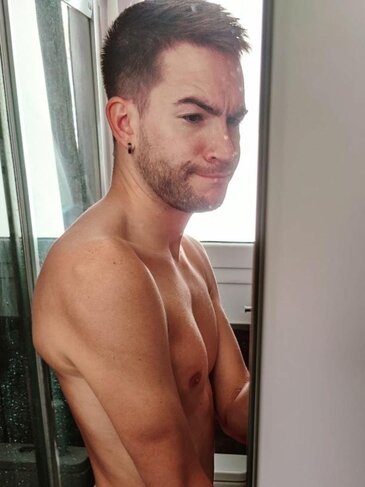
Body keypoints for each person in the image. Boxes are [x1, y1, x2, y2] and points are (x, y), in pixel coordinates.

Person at [32, 1, 250, 485]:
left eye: (233, 119)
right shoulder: (101, 270)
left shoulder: (188, 254)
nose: (227, 148)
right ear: (125, 122)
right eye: (194, 117)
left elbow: (236, 408)